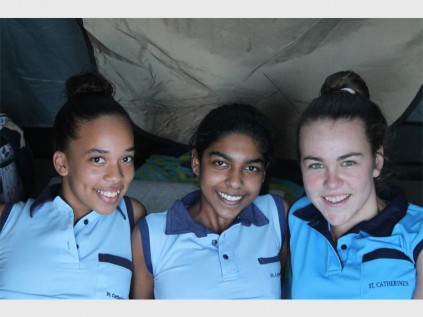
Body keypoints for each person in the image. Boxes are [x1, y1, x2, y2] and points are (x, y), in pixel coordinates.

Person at [0, 70, 146, 299]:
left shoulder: (131, 217)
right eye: (98, 159)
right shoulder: (7, 221)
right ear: (62, 163)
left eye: (126, 158)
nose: (117, 176)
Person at [131, 103, 290, 299]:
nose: (234, 182)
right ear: (196, 163)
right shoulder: (151, 235)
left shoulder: (275, 215)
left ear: (263, 173)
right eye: (221, 163)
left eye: (251, 168)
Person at [288, 70, 423, 299]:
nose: (331, 182)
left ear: (376, 162)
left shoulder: (417, 232)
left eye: (348, 162)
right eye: (316, 165)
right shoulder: (298, 218)